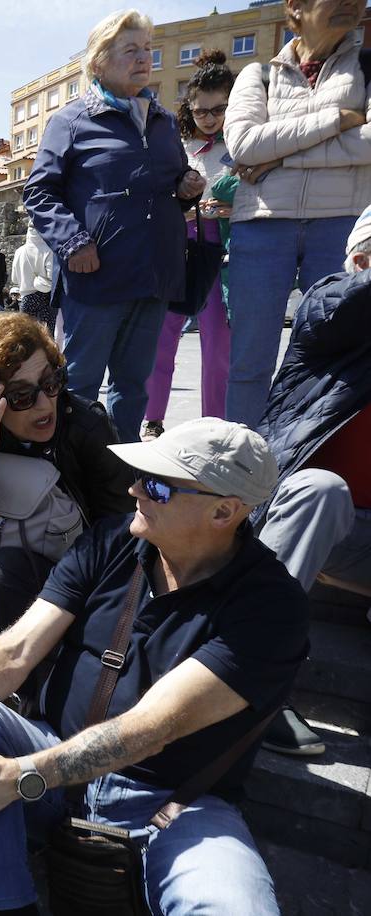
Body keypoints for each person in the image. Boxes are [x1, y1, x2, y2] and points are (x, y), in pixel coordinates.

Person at [0, 418, 304, 915]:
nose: (134, 487)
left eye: (158, 484)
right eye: (141, 473)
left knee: (232, 907)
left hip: (173, 805)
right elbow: (15, 652)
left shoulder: (270, 606)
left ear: (224, 511)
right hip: (51, 756)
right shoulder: (113, 540)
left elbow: (150, 728)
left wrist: (16, 778)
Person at [23, 10, 203, 443]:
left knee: (133, 385)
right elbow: (39, 192)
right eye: (130, 51)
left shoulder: (161, 121)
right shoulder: (70, 121)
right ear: (99, 62)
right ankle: (70, 467)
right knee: (80, 382)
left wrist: (188, 187)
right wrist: (73, 242)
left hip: (154, 275)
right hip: (97, 276)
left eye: (147, 50)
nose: (144, 59)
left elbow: (172, 186)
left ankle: (121, 471)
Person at [0, 311, 134, 643]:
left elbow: (121, 528)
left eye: (51, 383)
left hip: (69, 567)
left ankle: (12, 686)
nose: (44, 404)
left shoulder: (85, 426)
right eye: (22, 396)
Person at [252, 208, 371, 757]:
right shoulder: (328, 314)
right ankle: (247, 684)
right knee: (317, 490)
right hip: (311, 523)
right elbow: (335, 306)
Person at [222, 4, 371, 426]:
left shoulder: (368, 65)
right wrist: (338, 120)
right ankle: (241, 472)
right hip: (260, 226)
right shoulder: (257, 75)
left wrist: (280, 159)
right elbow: (245, 147)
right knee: (249, 365)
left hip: (342, 225)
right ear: (296, 6)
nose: (353, 4)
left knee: (338, 360)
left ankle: (315, 464)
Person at [143, 50, 236, 439]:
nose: (211, 118)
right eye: (202, 111)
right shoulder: (176, 144)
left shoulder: (243, 144)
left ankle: (214, 423)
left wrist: (230, 208)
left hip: (222, 252)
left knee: (217, 346)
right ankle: (153, 418)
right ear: (189, 110)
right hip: (178, 248)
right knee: (161, 338)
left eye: (220, 108)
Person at [8, 226, 56, 330]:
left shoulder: (19, 251)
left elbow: (14, 279)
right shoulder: (47, 250)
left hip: (25, 298)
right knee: (46, 337)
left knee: (27, 336)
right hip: (44, 299)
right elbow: (52, 276)